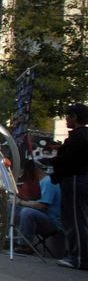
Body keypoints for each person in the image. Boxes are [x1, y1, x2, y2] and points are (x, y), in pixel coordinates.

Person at [48, 103, 88, 269]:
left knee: (74, 220)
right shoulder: (82, 136)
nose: (66, 119)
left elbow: (68, 162)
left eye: (68, 116)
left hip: (74, 180)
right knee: (79, 219)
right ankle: (77, 255)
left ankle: (78, 257)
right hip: (78, 180)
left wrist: (53, 162)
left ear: (75, 117)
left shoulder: (78, 137)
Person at [13, 161, 62, 255]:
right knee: (11, 209)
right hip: (40, 217)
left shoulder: (48, 182)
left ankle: (25, 245)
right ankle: (9, 240)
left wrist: (20, 202)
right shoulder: (40, 183)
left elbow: (41, 206)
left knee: (27, 212)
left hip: (51, 221)